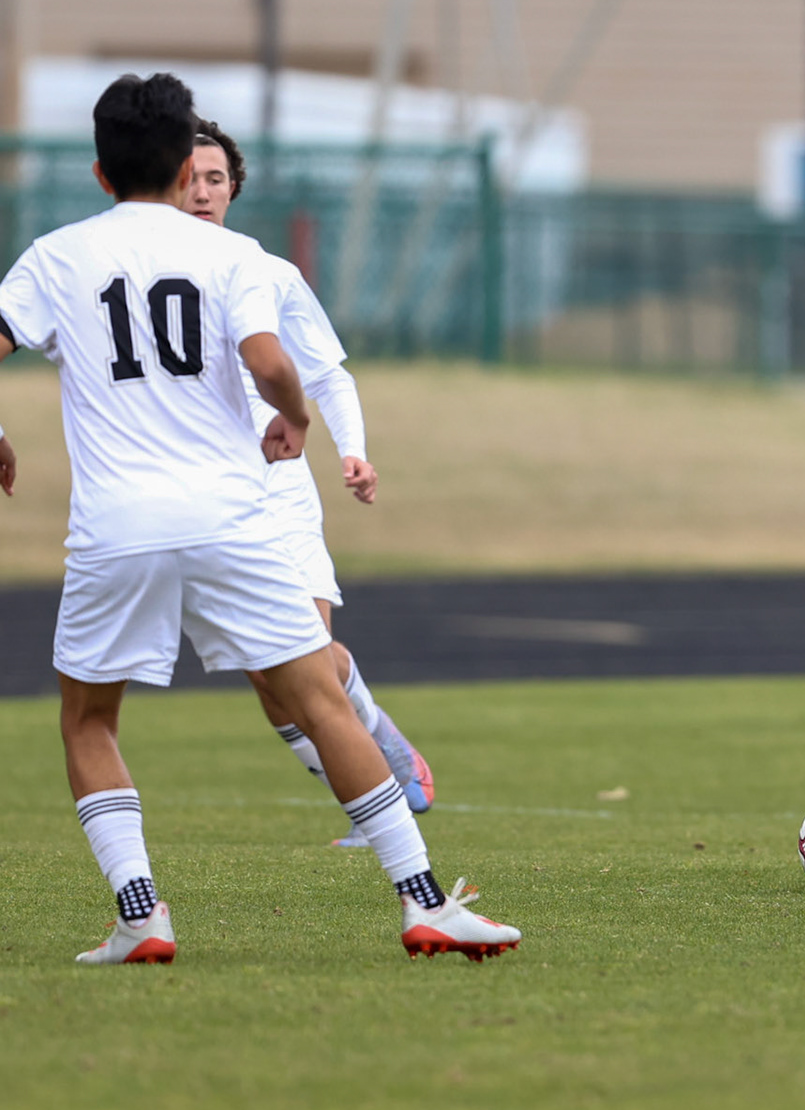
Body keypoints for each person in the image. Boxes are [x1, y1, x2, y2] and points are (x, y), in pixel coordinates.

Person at [0, 72, 518, 964]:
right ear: (180, 167)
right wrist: (297, 418)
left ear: (98, 171)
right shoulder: (234, 257)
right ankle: (424, 902)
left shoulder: (54, 255)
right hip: (232, 518)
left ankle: (142, 917)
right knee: (323, 703)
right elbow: (271, 360)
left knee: (89, 721)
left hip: (116, 526)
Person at [187, 120, 435, 844]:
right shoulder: (142, 275)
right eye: (189, 177)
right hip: (204, 501)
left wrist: (351, 451)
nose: (202, 192)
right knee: (267, 680)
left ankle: (383, 773)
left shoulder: (267, 272)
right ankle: (364, 796)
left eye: (215, 178)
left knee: (306, 658)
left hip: (277, 489)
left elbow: (327, 372)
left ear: (233, 188)